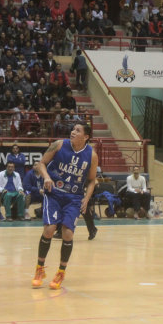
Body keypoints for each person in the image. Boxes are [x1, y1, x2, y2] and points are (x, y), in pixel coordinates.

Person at [32, 122, 98, 289]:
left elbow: (91, 181)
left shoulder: (91, 155)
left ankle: (61, 271)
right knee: (49, 229)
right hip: (54, 193)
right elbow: (41, 163)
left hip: (74, 197)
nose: (73, 132)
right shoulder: (59, 144)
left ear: (86, 137)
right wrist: (46, 177)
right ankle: (40, 269)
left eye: (78, 130)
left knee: (68, 234)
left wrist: (86, 198)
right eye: (73, 129)